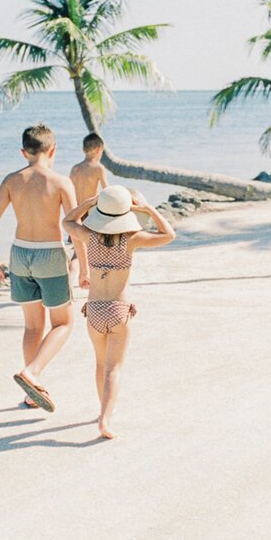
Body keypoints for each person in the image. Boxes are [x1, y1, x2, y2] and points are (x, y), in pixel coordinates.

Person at [0, 123, 89, 412]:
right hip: (49, 255)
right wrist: (84, 268)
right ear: (52, 150)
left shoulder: (11, 180)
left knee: (32, 326)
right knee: (64, 323)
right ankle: (32, 373)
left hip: (20, 254)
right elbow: (75, 228)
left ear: (23, 152)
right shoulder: (60, 182)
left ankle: (32, 393)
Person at [63, 184, 175, 439]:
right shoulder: (132, 239)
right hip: (118, 310)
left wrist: (90, 202)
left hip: (93, 311)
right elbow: (168, 235)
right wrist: (147, 208)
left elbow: (67, 220)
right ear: (127, 213)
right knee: (114, 368)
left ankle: (102, 409)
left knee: (101, 363)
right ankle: (105, 419)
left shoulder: (89, 237)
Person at [68, 132, 110, 280]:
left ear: (83, 149)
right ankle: (97, 281)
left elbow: (69, 192)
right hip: (92, 214)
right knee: (97, 249)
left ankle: (70, 279)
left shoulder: (75, 169)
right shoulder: (98, 168)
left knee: (77, 251)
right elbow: (107, 191)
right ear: (99, 149)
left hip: (76, 213)